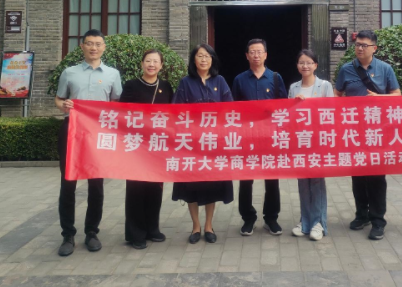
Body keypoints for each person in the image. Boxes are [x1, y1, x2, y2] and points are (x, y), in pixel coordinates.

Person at [54, 29, 122, 257]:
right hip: (72, 131)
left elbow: (116, 103)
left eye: (98, 44)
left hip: (99, 134)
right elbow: (59, 99)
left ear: (104, 47)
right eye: (90, 43)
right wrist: (63, 105)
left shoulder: (113, 74)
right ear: (82, 46)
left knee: (96, 183)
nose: (94, 48)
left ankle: (92, 232)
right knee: (68, 182)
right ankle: (68, 234)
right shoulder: (69, 72)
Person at [334, 29, 401, 241]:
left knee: (377, 177)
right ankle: (361, 215)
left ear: (374, 48)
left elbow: (397, 95)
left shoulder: (385, 69)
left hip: (378, 132)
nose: (360, 48)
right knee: (358, 175)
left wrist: (380, 99)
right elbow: (337, 95)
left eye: (364, 45)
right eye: (357, 45)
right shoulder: (346, 69)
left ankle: (378, 220)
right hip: (354, 131)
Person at [172, 44, 234, 244]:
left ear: (212, 59)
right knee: (191, 185)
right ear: (194, 60)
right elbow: (177, 110)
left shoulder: (220, 81)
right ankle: (195, 226)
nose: (203, 60)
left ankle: (208, 225)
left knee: (211, 184)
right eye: (200, 56)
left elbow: (229, 109)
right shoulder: (185, 82)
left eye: (207, 56)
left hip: (214, 143)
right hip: (191, 144)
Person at [232, 38, 288, 236]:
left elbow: (283, 107)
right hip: (247, 137)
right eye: (252, 52)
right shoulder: (239, 79)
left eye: (259, 51)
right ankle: (248, 218)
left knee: (272, 179)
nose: (256, 55)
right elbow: (233, 109)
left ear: (266, 55)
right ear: (247, 56)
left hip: (270, 137)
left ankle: (271, 218)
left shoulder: (275, 78)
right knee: (246, 179)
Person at [119, 49, 173, 249]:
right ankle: (136, 233)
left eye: (156, 61)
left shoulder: (166, 86)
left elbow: (173, 114)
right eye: (148, 61)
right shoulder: (131, 85)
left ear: (161, 65)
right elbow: (122, 113)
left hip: (158, 145)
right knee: (136, 189)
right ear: (142, 64)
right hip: (136, 145)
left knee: (155, 188)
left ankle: (152, 228)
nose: (152, 65)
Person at [288, 49, 335, 241]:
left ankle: (319, 223)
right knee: (303, 182)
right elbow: (288, 115)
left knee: (317, 183)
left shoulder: (324, 86)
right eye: (301, 62)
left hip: (318, 141)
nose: (305, 66)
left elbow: (331, 112)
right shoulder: (293, 88)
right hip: (300, 141)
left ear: (315, 65)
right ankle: (305, 222)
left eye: (309, 62)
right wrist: (295, 104)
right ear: (297, 66)